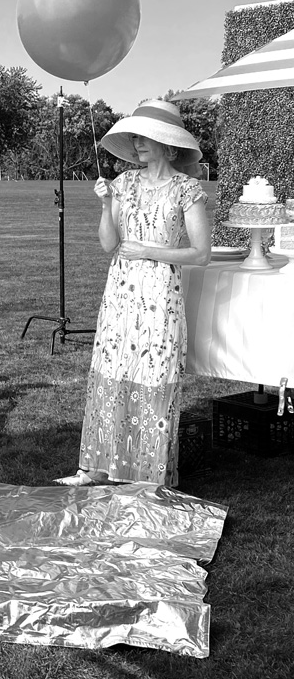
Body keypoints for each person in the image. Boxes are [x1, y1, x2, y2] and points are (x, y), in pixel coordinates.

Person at [56, 99, 211, 488]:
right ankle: (94, 468)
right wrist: (106, 204)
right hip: (121, 293)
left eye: (146, 137)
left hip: (161, 296)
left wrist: (148, 251)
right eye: (135, 137)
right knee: (113, 368)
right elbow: (108, 244)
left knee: (153, 373)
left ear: (168, 145)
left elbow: (201, 253)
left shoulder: (187, 189)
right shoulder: (123, 183)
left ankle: (146, 473)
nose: (137, 143)